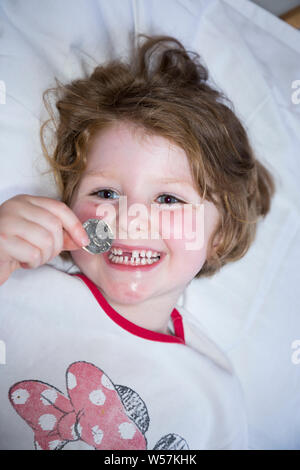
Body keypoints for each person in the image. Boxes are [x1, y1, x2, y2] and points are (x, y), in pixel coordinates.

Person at [0, 34, 275, 450]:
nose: (130, 219)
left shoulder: (214, 397)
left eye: (168, 199)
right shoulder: (16, 284)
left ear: (219, 237)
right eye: (105, 193)